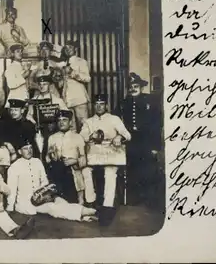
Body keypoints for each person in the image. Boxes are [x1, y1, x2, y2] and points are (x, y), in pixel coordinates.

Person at [6, 138, 97, 222]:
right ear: (19, 151)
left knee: (60, 201)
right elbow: (12, 190)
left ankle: (85, 215)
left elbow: (44, 181)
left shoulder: (37, 161)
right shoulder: (14, 167)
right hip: (26, 204)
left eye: (30, 148)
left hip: (42, 197)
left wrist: (45, 194)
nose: (29, 151)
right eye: (25, 148)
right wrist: (10, 208)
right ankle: (91, 212)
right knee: (52, 208)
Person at [79, 94, 131, 226]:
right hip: (94, 155)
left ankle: (107, 208)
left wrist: (119, 136)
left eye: (101, 104)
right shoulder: (89, 121)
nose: (99, 106)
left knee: (110, 172)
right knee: (85, 170)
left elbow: (127, 135)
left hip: (111, 154)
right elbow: (81, 137)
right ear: (93, 106)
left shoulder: (114, 119)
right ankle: (90, 204)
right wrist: (91, 135)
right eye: (96, 104)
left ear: (106, 105)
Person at [116, 73, 162, 208]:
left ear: (141, 88)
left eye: (136, 86)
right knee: (133, 168)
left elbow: (156, 124)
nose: (133, 89)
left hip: (146, 140)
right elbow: (116, 121)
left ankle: (151, 199)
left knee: (149, 168)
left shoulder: (149, 101)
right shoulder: (124, 103)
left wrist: (155, 146)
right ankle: (135, 197)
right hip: (131, 140)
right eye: (131, 87)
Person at [47, 110, 91, 205]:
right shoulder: (52, 138)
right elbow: (47, 159)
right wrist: (51, 155)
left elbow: (84, 159)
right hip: (57, 171)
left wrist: (74, 161)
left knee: (73, 201)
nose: (61, 122)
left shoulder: (78, 137)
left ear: (70, 122)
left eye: (64, 120)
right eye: (59, 120)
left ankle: (79, 200)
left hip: (72, 170)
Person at [27, 75, 69, 161]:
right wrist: (35, 123)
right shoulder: (34, 100)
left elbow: (66, 114)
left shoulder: (57, 100)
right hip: (39, 130)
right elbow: (29, 115)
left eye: (45, 84)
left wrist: (56, 123)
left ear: (49, 85)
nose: (42, 86)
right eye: (40, 84)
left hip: (54, 130)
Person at [60, 40, 91, 132]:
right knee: (70, 128)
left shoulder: (81, 61)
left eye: (70, 47)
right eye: (66, 48)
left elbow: (87, 78)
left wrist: (72, 72)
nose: (67, 50)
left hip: (79, 99)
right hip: (67, 100)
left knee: (84, 126)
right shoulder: (63, 64)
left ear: (75, 49)